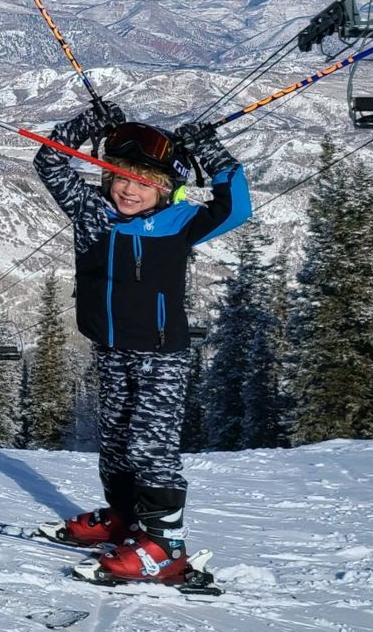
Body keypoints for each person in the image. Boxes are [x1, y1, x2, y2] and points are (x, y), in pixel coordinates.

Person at [34, 104, 250, 583]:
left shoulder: (179, 224)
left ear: (167, 188)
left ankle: (164, 543)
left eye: (143, 182)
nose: (128, 189)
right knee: (115, 440)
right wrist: (89, 125)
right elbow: (50, 160)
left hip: (161, 354)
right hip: (110, 348)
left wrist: (208, 150)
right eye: (119, 177)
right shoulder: (92, 214)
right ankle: (127, 517)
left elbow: (236, 203)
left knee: (151, 444)